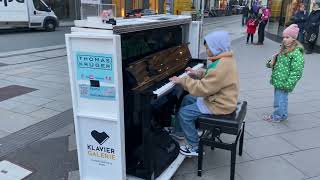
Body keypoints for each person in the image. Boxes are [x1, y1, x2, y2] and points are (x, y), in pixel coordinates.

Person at [169, 31, 239, 156]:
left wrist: (182, 80)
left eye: (208, 48)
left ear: (216, 48)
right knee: (188, 99)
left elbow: (203, 88)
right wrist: (198, 73)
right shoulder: (225, 59)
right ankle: (180, 132)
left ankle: (195, 147)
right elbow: (212, 76)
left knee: (184, 114)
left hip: (219, 104)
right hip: (221, 98)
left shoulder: (221, 66)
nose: (206, 51)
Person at [264, 24, 304, 122]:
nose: (284, 39)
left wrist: (289, 83)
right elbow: (275, 63)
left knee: (279, 100)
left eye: (287, 37)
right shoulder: (284, 49)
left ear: (294, 39)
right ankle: (283, 115)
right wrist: (270, 63)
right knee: (282, 99)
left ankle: (277, 117)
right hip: (279, 79)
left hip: (284, 82)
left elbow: (296, 71)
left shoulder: (296, 53)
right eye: (284, 37)